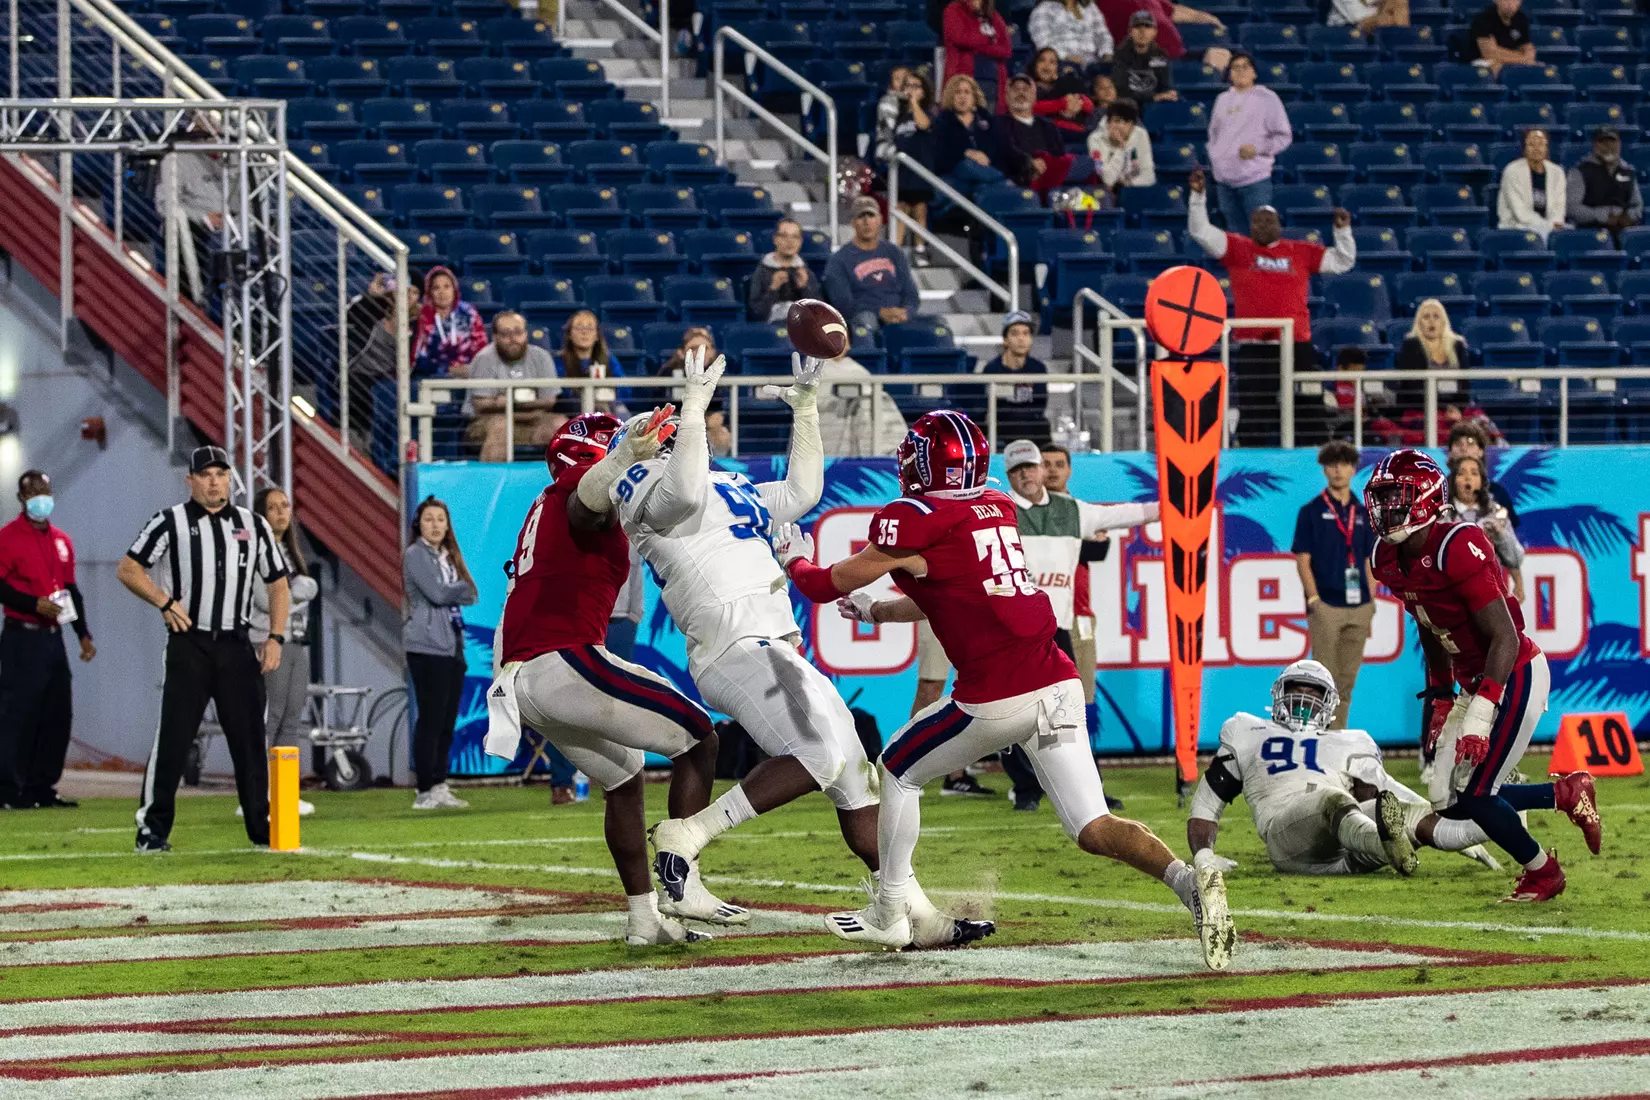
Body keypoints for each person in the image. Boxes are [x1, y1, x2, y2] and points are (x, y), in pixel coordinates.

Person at [775, 410, 1233, 966]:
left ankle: (890, 908)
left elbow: (827, 584)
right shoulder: (994, 507)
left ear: (926, 463)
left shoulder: (916, 517)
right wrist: (879, 612)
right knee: (1093, 826)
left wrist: (792, 558)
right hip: (1054, 680)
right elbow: (950, 593)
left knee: (897, 766)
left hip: (996, 691)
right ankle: (1189, 884)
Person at [635, 354, 988, 948]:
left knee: (856, 774)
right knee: (824, 753)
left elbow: (804, 489)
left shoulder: (728, 486)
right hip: (734, 641)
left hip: (768, 644)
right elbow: (684, 487)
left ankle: (909, 910)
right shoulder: (651, 497)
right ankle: (687, 837)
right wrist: (692, 409)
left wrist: (805, 410)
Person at [482, 397, 744, 946]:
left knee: (624, 781)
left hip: (524, 675)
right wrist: (623, 455)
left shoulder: (543, 506)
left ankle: (643, 919)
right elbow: (586, 502)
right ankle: (685, 877)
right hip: (562, 661)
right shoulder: (575, 492)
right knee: (699, 736)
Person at [1365, 449, 1602, 901]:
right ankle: (1567, 794)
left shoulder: (1458, 544)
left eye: (1398, 496)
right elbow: (1428, 623)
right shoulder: (1387, 556)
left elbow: (1506, 637)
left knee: (1475, 793)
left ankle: (1542, 871)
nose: (1388, 507)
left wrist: (1480, 711)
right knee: (1447, 800)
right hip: (1473, 681)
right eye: (1383, 497)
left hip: (1513, 673)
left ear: (1427, 497)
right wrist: (1439, 694)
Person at [117, 446, 289, 852]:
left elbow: (278, 583)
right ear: (189, 480)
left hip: (236, 644)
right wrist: (163, 601)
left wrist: (276, 637)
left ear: (230, 478)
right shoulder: (169, 521)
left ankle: (261, 829)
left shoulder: (253, 524)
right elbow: (128, 568)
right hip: (190, 643)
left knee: (249, 740)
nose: (214, 481)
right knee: (174, 739)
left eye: (220, 473)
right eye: (205, 474)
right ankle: (151, 830)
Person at [1187, 661, 1503, 877]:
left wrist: (1448, 821)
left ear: (1330, 703)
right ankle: (1386, 844)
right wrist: (1203, 857)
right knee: (1332, 799)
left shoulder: (1350, 741)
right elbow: (1207, 801)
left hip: (1345, 853)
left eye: (1314, 693)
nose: (1303, 698)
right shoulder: (1247, 730)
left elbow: (1389, 792)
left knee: (1407, 810)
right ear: (1279, 693)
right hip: (1288, 838)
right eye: (1297, 688)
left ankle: (1486, 828)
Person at [1003, 437, 1156, 810]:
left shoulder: (1073, 510)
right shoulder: (1000, 510)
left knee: (1071, 714)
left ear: (1041, 468)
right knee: (1006, 714)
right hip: (1009, 628)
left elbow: (1122, 515)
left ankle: (1086, 789)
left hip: (1058, 628)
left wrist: (1169, 507)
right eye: (1017, 470)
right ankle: (1026, 789)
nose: (1027, 474)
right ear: (1009, 475)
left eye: (1031, 466)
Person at [1187, 167, 1356, 446]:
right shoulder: (1238, 249)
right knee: (1254, 411)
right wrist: (1197, 196)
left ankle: (1316, 458)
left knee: (1309, 404)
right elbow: (1200, 230)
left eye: (1268, 221)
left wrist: (1343, 231)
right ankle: (1251, 462)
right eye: (1257, 222)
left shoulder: (1300, 251)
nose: (1262, 226)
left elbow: (1343, 261)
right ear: (1250, 226)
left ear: (1279, 224)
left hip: (1297, 345)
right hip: (1255, 346)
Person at [0, 471, 94, 810]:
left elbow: (70, 590)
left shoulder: (61, 540)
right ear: (22, 498)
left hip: (53, 639)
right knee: (17, 715)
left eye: (45, 490)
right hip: (21, 638)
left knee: (57, 713)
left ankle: (41, 788)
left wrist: (82, 634)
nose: (42, 497)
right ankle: (9, 789)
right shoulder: (8, 538)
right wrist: (31, 603)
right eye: (34, 492)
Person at [1292, 441, 1377, 730]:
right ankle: (1315, 737)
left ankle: (1336, 739)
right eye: (1332, 464)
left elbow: (1369, 561)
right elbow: (1303, 560)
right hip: (1326, 605)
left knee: (1347, 681)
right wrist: (1314, 600)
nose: (1338, 470)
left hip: (1360, 606)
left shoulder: (1364, 513)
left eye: (1344, 464)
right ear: (1324, 469)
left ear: (1353, 469)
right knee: (1323, 679)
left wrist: (1372, 602)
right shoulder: (1311, 512)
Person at [403, 496, 478, 811]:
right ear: (419, 523)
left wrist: (458, 588)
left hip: (453, 643)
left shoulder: (449, 556)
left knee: (447, 719)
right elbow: (436, 593)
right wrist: (458, 589)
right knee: (431, 718)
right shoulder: (415, 555)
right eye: (429, 519)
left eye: (440, 520)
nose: (435, 525)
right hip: (426, 643)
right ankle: (423, 789)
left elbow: (472, 593)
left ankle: (439, 783)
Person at [250, 487, 317, 818]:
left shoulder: (290, 551)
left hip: (296, 640)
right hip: (267, 640)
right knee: (269, 718)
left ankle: (284, 792)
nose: (280, 512)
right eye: (272, 507)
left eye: (285, 506)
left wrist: (292, 592)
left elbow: (308, 586)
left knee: (291, 718)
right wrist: (296, 590)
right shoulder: (254, 550)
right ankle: (258, 794)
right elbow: (265, 600)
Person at [1206, 52, 1292, 232]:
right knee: (1235, 238)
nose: (1240, 71)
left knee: (1260, 234)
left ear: (1254, 72)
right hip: (1224, 182)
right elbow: (1214, 135)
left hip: (1254, 180)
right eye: (1235, 68)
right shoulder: (1221, 100)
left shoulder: (1268, 99)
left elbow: (1283, 136)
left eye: (1245, 67)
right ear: (1229, 74)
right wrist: (1216, 160)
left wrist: (1258, 149)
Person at [467, 310, 565, 462]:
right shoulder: (484, 358)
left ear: (526, 334)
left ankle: (566, 483)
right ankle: (492, 482)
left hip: (532, 421)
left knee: (560, 425)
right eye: (505, 334)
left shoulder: (541, 356)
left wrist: (505, 402)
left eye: (518, 332)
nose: (513, 339)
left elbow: (549, 400)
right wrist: (529, 405)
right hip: (487, 423)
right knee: (501, 426)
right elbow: (481, 405)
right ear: (495, 337)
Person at [824, 197, 922, 333]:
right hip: (864, 320)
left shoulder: (894, 252)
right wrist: (879, 312)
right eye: (861, 217)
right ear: (853, 223)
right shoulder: (839, 260)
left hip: (898, 315)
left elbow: (911, 294)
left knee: (937, 326)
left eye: (871, 215)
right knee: (867, 320)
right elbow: (843, 304)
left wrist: (906, 312)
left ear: (880, 220)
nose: (866, 222)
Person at [1444, 455, 1525, 602]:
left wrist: (1501, 535)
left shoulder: (1497, 513)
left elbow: (1516, 559)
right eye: (1462, 473)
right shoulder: (1443, 515)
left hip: (1489, 595)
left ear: (1482, 482)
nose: (1468, 478)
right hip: (1451, 595)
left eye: (1474, 474)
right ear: (1453, 481)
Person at [875, 68, 937, 260]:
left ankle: (920, 251)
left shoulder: (928, 113)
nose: (910, 89)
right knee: (901, 209)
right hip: (902, 173)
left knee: (919, 210)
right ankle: (895, 251)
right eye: (907, 86)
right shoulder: (898, 116)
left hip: (920, 171)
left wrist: (914, 104)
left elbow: (924, 125)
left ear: (923, 92)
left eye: (915, 86)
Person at [975, 312, 1053, 443]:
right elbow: (990, 407)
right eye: (1015, 334)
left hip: (1029, 427)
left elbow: (1039, 406)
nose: (1021, 339)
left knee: (1042, 426)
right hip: (1002, 426)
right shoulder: (992, 369)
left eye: (1026, 333)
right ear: (1005, 340)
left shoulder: (1038, 368)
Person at [1000, 74, 1083, 195]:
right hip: (1016, 183)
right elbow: (1004, 153)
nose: (1021, 93)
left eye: (1025, 89)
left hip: (1050, 184)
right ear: (1006, 96)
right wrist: (1029, 163)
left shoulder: (1047, 125)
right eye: (1016, 89)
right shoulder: (999, 123)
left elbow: (1059, 156)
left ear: (1034, 96)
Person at [932, 74, 1011, 199]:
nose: (962, 96)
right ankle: (1003, 183)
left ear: (974, 97)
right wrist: (966, 153)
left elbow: (999, 148)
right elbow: (939, 157)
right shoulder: (941, 122)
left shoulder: (987, 120)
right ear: (950, 97)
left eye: (967, 92)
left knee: (982, 186)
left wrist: (986, 157)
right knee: (967, 165)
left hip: (985, 172)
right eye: (957, 92)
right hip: (954, 175)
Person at [1567, 127, 1643, 239]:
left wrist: (1629, 216)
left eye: (1612, 142)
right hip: (1591, 232)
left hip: (1624, 231)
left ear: (1619, 144)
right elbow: (1572, 208)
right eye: (1603, 142)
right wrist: (1602, 216)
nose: (1608, 146)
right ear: (1595, 145)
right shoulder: (1580, 171)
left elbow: (1637, 205)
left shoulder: (1628, 171)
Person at [412, 266, 487, 379]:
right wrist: (448, 370)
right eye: (436, 288)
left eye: (447, 286)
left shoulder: (469, 313)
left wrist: (470, 369)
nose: (442, 292)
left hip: (469, 376)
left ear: (454, 289)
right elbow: (417, 357)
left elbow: (481, 350)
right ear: (429, 292)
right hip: (432, 378)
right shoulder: (422, 317)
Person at [1097, 0, 1226, 63]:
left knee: (1223, 55)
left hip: (1177, 56)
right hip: (1144, 61)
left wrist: (1207, 17)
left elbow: (1173, 11)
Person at [942, 0, 1013, 113]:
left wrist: (979, 46)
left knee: (988, 124)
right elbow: (961, 38)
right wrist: (989, 40)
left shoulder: (994, 15)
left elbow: (1006, 50)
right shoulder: (954, 9)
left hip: (992, 82)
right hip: (964, 79)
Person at [554, 309, 627, 417]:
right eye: (579, 327)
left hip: (607, 405)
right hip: (571, 409)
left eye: (589, 328)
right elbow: (559, 393)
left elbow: (624, 389)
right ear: (569, 334)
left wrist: (608, 394)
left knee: (622, 412)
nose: (584, 332)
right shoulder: (558, 361)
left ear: (597, 335)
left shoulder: (609, 359)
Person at [1498, 128, 1566, 242]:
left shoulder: (1557, 172)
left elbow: (1559, 209)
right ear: (1524, 149)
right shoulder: (1512, 171)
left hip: (1549, 229)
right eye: (1531, 144)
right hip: (1517, 228)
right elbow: (1520, 213)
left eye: (1541, 144)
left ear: (1547, 148)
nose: (1536, 148)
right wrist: (1547, 226)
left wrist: (1552, 225)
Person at [350, 280, 419, 386]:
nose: (409, 295)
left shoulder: (417, 325)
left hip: (387, 381)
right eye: (407, 290)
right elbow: (349, 316)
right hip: (357, 372)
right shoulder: (376, 310)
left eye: (415, 292)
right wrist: (371, 296)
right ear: (395, 292)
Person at [1447, 420, 1517, 523]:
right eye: (1458, 444)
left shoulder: (1497, 494)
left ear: (1481, 451)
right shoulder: (1438, 492)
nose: (1464, 448)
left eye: (1470, 443)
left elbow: (1510, 533)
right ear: (1450, 452)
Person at [747, 217, 817, 321]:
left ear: (800, 241)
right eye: (784, 236)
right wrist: (773, 289)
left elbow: (819, 313)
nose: (790, 241)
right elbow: (755, 314)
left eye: (795, 237)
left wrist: (804, 288)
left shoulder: (806, 272)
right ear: (775, 239)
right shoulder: (761, 271)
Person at [1111, 10, 1177, 110]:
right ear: (1130, 31)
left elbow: (1166, 86)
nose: (1142, 31)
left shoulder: (1160, 55)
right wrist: (1152, 97)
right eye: (1137, 27)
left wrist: (1168, 94)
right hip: (1128, 108)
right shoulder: (1120, 55)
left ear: (1155, 32)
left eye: (1147, 27)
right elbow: (1121, 91)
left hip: (1154, 108)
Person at [1089, 99, 1156, 194]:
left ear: (1132, 126)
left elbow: (1149, 175)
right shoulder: (1094, 140)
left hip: (1133, 190)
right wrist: (1120, 149)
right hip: (1104, 194)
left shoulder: (1140, 135)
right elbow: (1107, 179)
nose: (1120, 126)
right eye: (1116, 121)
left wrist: (1127, 185)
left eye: (1126, 122)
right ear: (1108, 123)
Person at [1029, 0, 1115, 69]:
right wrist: (1065, 57)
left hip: (1094, 63)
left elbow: (1103, 35)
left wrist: (1106, 53)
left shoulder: (1090, 7)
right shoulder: (1044, 8)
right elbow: (1043, 42)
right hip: (1062, 63)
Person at [1029, 48, 1094, 135]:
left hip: (1077, 132)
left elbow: (1090, 106)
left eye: (1052, 62)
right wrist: (1061, 104)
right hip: (1047, 132)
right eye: (1042, 60)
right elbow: (1028, 108)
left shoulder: (1064, 83)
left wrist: (1078, 101)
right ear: (1034, 65)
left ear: (1057, 68)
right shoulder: (1028, 85)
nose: (1047, 65)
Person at [1467, 0, 1536, 76]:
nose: (1510, 3)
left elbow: (1528, 49)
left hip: (1512, 62)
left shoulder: (1521, 18)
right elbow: (1489, 54)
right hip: (1481, 62)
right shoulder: (1483, 19)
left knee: (1540, 68)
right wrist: (1523, 59)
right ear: (1496, 1)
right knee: (1496, 67)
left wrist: (1527, 57)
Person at [1327, 0, 1408, 32]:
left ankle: (1400, 41)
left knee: (1399, 4)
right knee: (1390, 17)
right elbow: (1356, 17)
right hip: (1344, 29)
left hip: (1372, 26)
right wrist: (1383, 13)